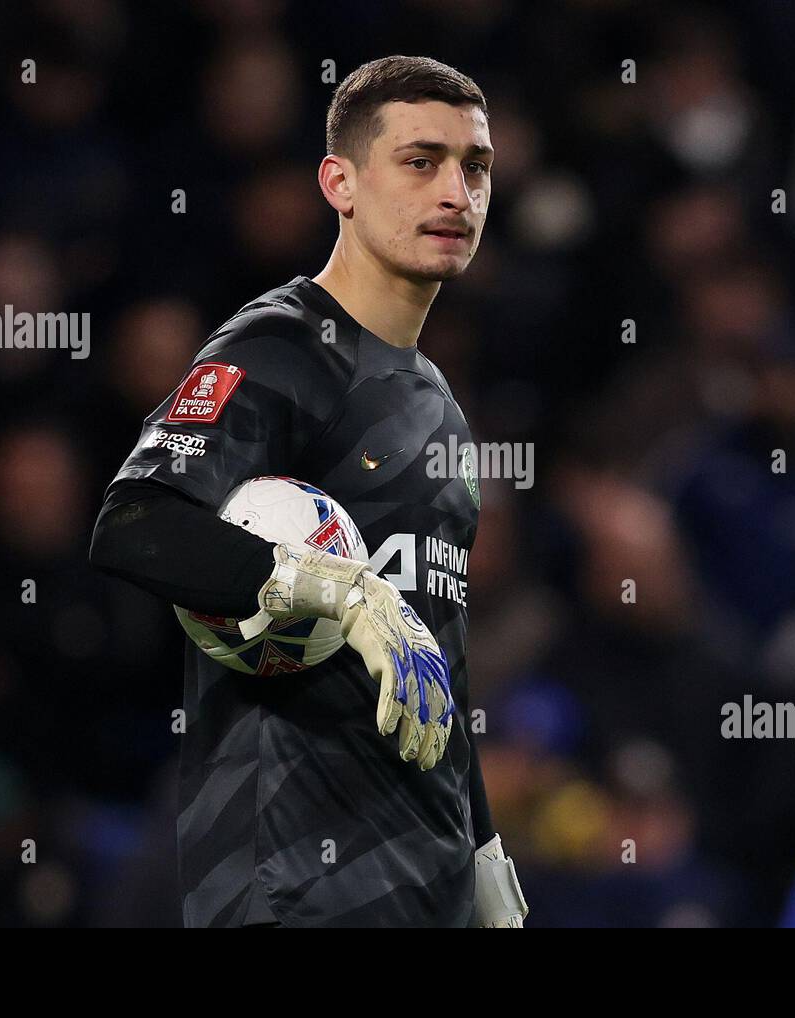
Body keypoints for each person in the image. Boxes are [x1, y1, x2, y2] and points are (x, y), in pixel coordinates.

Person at [90, 55, 527, 928]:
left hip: (425, 894)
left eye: (474, 166)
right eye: (420, 161)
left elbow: (437, 666)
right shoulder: (279, 349)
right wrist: (335, 587)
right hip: (293, 890)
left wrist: (482, 862)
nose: (456, 191)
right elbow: (134, 524)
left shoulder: (440, 413)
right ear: (341, 181)